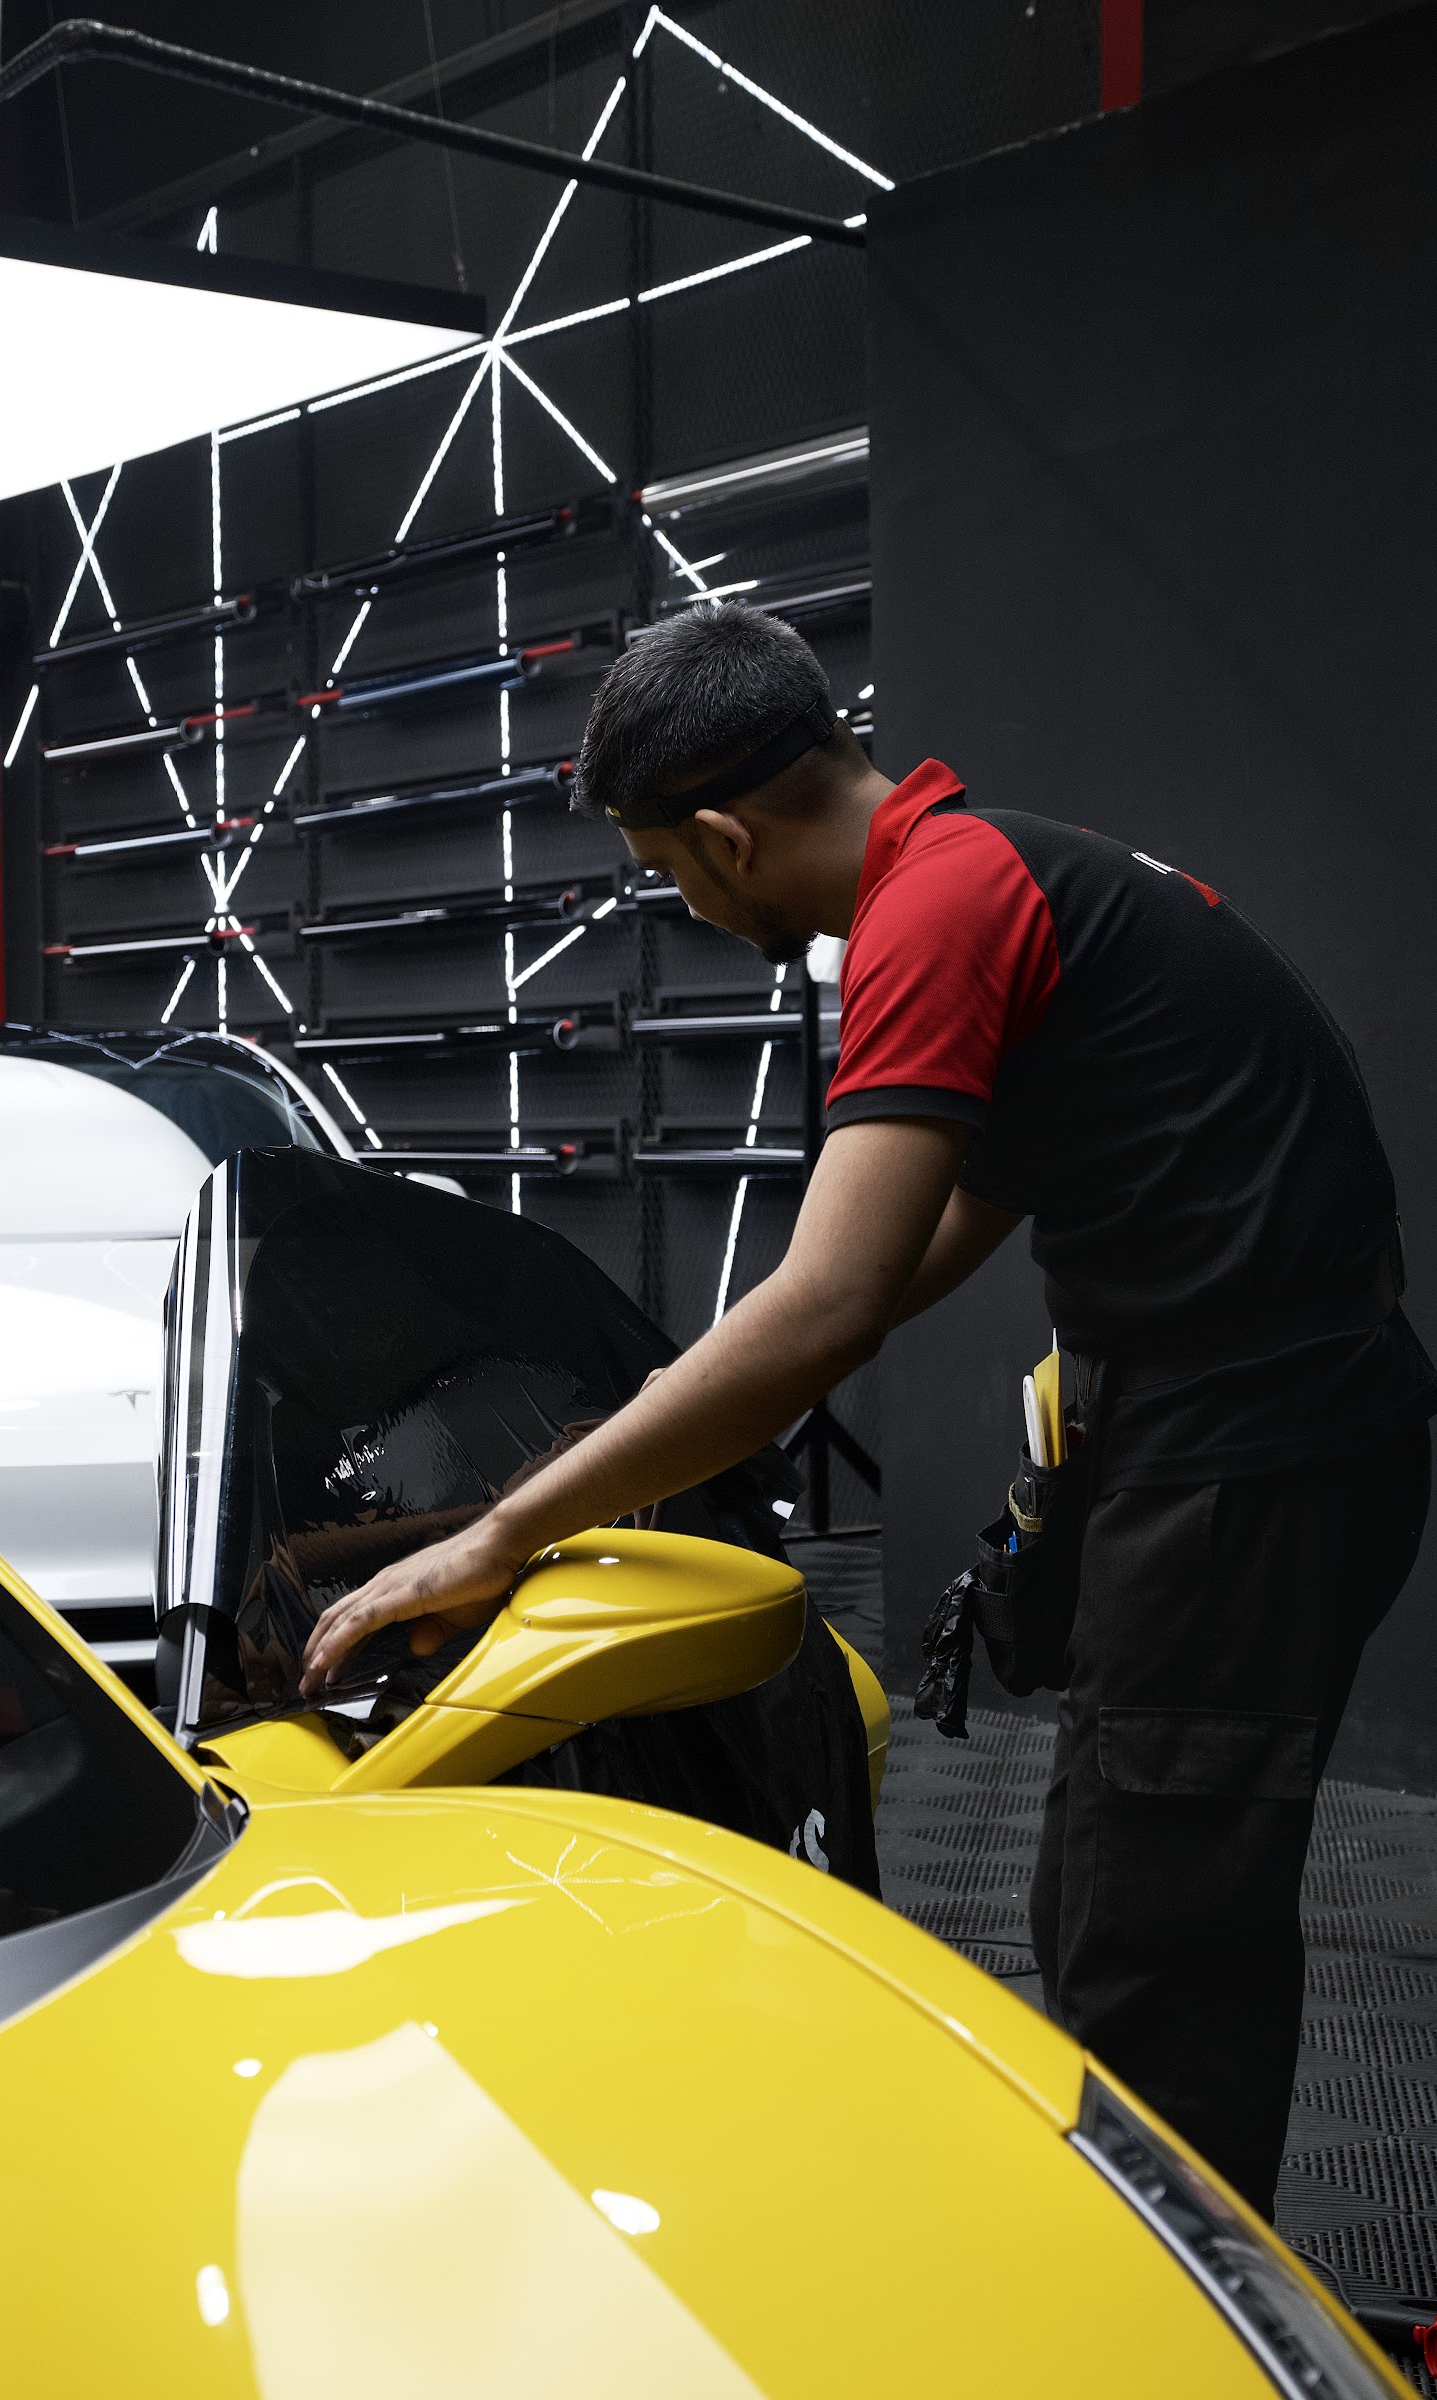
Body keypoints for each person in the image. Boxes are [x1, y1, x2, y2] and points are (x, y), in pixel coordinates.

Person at [299, 599, 1434, 2219]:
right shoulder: (997, 866)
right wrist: (690, 1401)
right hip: (1265, 1441)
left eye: (667, 874)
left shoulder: (937, 910)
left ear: (720, 836)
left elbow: (829, 1305)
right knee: (1117, 1895)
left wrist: (497, 1532)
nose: (681, 905)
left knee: (1156, 1952)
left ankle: (1189, 2321)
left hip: (1253, 1464)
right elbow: (913, 1246)